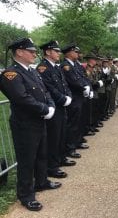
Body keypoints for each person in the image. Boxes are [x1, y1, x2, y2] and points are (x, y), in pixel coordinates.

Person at [0, 38, 61, 211]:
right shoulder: (10, 74)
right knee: (27, 160)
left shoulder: (32, 72)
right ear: (19, 52)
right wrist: (44, 109)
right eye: (31, 51)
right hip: (25, 124)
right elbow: (21, 98)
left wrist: (50, 105)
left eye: (35, 51)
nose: (35, 54)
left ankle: (41, 182)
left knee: (41, 153)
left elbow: (45, 91)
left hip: (39, 120)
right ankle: (26, 195)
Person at [37, 40, 75, 179]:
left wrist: (68, 96)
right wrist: (62, 99)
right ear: (48, 52)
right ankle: (52, 167)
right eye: (56, 51)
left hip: (62, 106)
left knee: (61, 134)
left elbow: (64, 85)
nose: (59, 53)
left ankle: (60, 158)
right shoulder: (43, 68)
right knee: (53, 137)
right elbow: (48, 88)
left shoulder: (56, 67)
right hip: (55, 106)